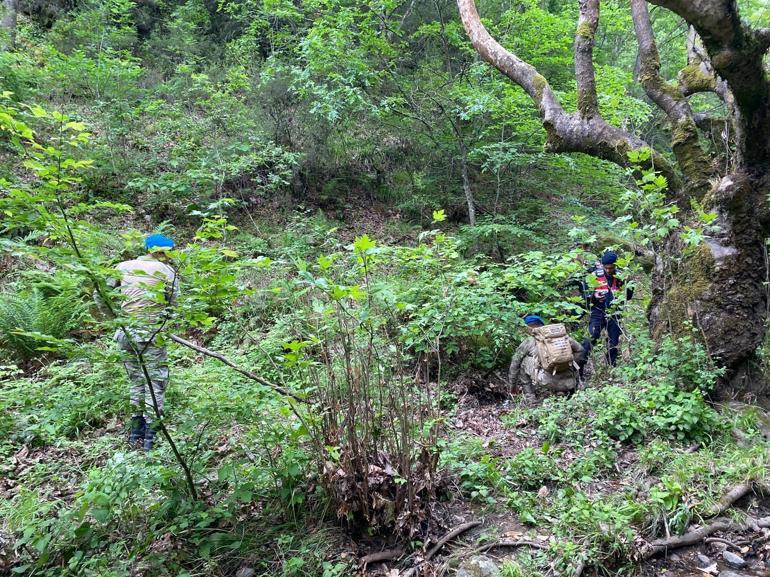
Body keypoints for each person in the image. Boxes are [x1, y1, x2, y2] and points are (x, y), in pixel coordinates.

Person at [108, 234, 179, 451]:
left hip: (126, 334)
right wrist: (162, 322)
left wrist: (116, 319)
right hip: (151, 334)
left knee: (136, 381)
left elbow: (100, 294)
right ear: (161, 251)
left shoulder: (122, 266)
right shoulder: (167, 272)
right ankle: (150, 437)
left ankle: (135, 433)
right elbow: (173, 303)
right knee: (155, 383)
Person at [508, 315, 585, 403]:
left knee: (522, 363)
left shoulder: (528, 341)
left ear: (528, 329)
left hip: (547, 381)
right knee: (571, 359)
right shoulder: (563, 338)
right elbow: (581, 350)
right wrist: (569, 366)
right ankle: (572, 390)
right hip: (570, 380)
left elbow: (514, 365)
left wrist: (512, 387)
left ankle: (530, 398)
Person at [582, 250, 633, 369]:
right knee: (590, 340)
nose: (608, 270)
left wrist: (625, 283)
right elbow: (584, 297)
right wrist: (594, 296)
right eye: (606, 268)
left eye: (611, 268)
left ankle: (611, 368)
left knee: (613, 343)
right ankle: (579, 369)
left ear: (616, 265)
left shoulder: (621, 276)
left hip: (615, 313)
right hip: (597, 312)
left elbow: (628, 296)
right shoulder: (594, 276)